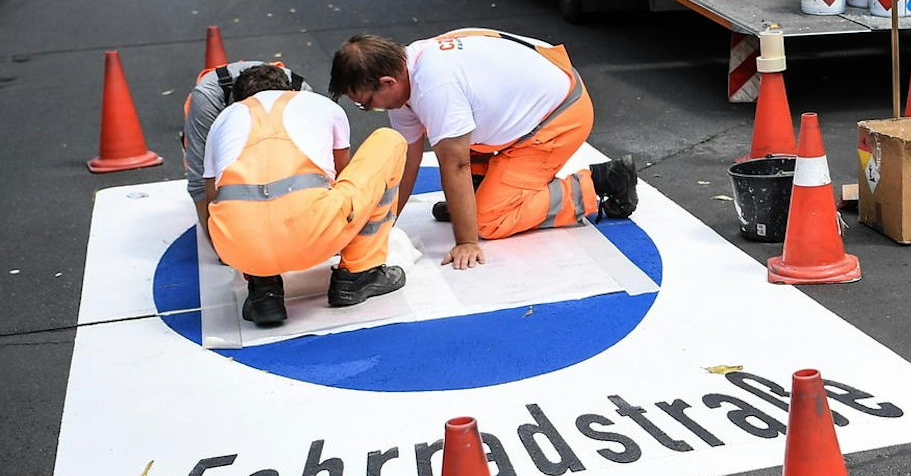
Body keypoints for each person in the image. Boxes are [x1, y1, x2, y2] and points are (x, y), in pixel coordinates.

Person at [329, 30, 638, 271]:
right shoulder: (404, 72)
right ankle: (476, 197)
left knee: (489, 220)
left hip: (558, 116)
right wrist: (383, 225)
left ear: (386, 82)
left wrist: (467, 241)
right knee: (448, 135)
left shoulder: (435, 87)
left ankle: (600, 183)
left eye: (366, 103)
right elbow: (407, 161)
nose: (367, 109)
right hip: (533, 100)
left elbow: (456, 165)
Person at [202, 65, 408, 326]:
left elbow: (214, 200)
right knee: (389, 140)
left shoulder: (222, 121)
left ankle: (264, 290)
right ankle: (358, 273)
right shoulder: (320, 104)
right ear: (291, 90)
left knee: (240, 203)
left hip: (240, 249)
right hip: (313, 235)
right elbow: (341, 177)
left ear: (240, 99)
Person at [183, 60, 313, 242]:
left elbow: (318, 168)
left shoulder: (302, 96)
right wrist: (218, 244)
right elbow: (199, 182)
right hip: (213, 118)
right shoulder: (207, 101)